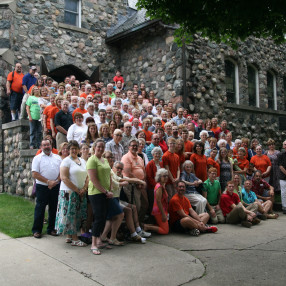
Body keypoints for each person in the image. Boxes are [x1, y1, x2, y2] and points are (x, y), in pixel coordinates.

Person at [55, 140, 89, 246]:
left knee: (77, 214)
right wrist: (77, 190)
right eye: (71, 149)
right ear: (68, 150)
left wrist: (84, 188)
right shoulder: (66, 161)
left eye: (75, 148)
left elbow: (88, 176)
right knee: (71, 215)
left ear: (79, 150)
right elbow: (64, 178)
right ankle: (75, 239)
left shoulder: (83, 161)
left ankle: (69, 236)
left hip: (80, 191)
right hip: (69, 192)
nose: (74, 150)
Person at [86, 139, 113, 255]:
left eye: (102, 147)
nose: (101, 149)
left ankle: (99, 240)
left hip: (106, 192)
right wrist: (105, 191)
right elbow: (93, 179)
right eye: (99, 147)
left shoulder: (105, 160)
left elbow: (109, 175)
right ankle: (93, 244)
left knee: (103, 217)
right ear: (94, 148)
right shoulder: (92, 160)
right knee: (98, 218)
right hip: (96, 193)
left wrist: (110, 189)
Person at [112, 161, 149, 242]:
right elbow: (123, 180)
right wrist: (139, 181)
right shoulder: (113, 175)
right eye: (118, 168)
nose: (119, 170)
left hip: (118, 200)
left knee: (134, 207)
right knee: (129, 210)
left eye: (121, 169)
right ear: (113, 168)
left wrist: (139, 181)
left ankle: (138, 229)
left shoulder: (120, 175)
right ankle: (133, 234)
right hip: (113, 200)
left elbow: (129, 179)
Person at [31, 139, 61, 238]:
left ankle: (51, 229)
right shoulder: (37, 158)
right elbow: (35, 174)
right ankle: (37, 230)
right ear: (41, 147)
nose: (46, 146)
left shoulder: (57, 157)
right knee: (40, 208)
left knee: (54, 208)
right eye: (44, 145)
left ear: (51, 146)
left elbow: (62, 172)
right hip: (42, 187)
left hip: (55, 186)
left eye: (48, 144)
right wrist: (48, 182)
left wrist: (55, 182)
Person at [100, 152, 125, 246]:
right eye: (107, 157)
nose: (110, 158)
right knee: (120, 214)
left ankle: (104, 236)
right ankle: (113, 238)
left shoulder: (109, 168)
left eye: (111, 157)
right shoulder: (107, 169)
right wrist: (122, 183)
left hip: (114, 196)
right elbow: (114, 182)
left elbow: (119, 179)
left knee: (111, 217)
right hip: (110, 195)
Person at [121, 139, 148, 223]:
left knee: (145, 205)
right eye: (133, 145)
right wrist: (138, 182)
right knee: (137, 206)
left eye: (136, 145)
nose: (135, 147)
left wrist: (143, 181)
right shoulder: (126, 157)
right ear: (129, 147)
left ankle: (140, 225)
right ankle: (134, 227)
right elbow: (128, 173)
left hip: (141, 185)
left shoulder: (140, 158)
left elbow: (143, 171)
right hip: (132, 185)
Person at [144, 168, 169, 235]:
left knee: (165, 228)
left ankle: (148, 226)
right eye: (164, 176)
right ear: (159, 177)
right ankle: (147, 227)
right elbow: (158, 201)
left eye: (167, 176)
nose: (166, 177)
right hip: (159, 211)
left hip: (162, 210)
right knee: (165, 231)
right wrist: (163, 214)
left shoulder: (162, 185)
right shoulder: (159, 187)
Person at [146, 147, 164, 213]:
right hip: (153, 188)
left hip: (161, 186)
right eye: (156, 153)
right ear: (153, 154)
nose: (157, 155)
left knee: (160, 202)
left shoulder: (161, 163)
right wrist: (157, 186)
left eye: (159, 154)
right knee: (153, 203)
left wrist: (162, 185)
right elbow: (149, 177)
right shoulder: (150, 164)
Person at [278, 140, 286, 214]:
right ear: (283, 146)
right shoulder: (280, 155)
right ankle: (284, 207)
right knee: (283, 192)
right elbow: (280, 166)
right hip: (283, 176)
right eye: (285, 144)